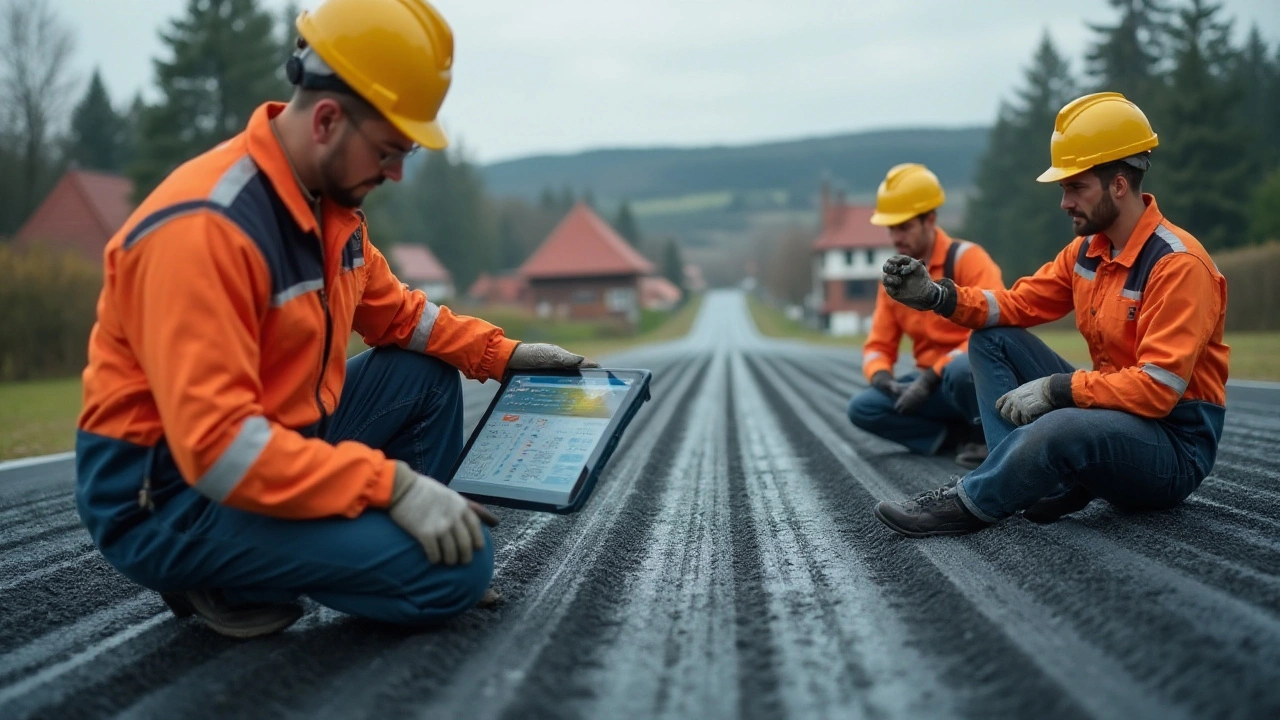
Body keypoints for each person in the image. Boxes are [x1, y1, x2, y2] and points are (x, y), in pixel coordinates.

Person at [74, 0, 593, 638]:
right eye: (389, 150)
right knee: (460, 575)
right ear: (326, 120)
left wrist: (502, 356)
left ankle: (414, 547)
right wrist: (390, 488)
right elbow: (219, 450)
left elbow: (403, 317)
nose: (397, 173)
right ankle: (231, 574)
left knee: (423, 376)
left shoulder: (328, 211)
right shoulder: (207, 229)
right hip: (173, 493)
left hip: (274, 442)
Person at [872, 91, 1229, 537]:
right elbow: (1015, 303)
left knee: (1061, 423)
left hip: (1173, 449)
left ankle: (967, 504)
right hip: (1117, 415)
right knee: (992, 337)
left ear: (1119, 184)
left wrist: (1058, 389)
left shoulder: (1177, 265)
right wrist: (938, 297)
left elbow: (1157, 391)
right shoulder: (1088, 252)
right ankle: (1023, 484)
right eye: (1064, 189)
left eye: (1076, 187)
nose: (1065, 202)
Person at [847, 163, 1005, 469]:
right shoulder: (895, 280)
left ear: (930, 220)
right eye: (891, 228)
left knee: (961, 370)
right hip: (929, 386)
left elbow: (994, 328)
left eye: (904, 227)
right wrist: (882, 378)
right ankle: (953, 436)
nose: (895, 237)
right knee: (862, 408)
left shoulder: (969, 259)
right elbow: (878, 345)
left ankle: (987, 439)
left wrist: (933, 376)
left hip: (971, 378)